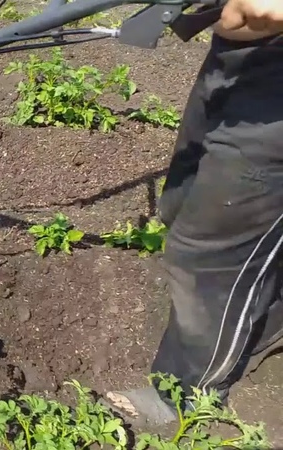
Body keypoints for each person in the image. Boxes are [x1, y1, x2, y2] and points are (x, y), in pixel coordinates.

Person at [103, 0, 283, 426]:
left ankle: (185, 393)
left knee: (206, 250)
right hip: (241, 56)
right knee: (181, 197)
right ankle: (268, 309)